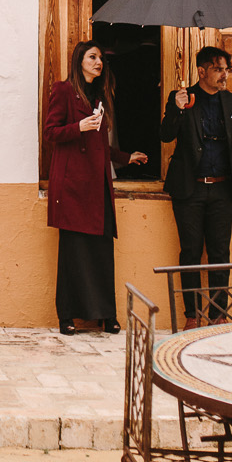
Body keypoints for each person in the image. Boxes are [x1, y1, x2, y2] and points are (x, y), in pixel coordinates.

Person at [46, 41, 147, 335]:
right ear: (80, 61)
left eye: (101, 57)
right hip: (73, 187)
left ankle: (107, 315)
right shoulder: (64, 90)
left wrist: (127, 157)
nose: (98, 62)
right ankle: (67, 317)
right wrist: (79, 127)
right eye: (92, 57)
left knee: (102, 252)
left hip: (98, 186)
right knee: (72, 253)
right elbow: (51, 132)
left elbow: (101, 145)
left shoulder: (100, 96)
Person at [160, 45, 232, 328]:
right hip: (189, 189)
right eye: (218, 69)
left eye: (226, 70)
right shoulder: (182, 97)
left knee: (220, 253)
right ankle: (191, 317)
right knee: (190, 252)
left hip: (221, 189)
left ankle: (218, 316)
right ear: (202, 71)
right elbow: (165, 135)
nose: (224, 75)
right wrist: (178, 109)